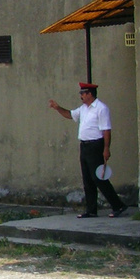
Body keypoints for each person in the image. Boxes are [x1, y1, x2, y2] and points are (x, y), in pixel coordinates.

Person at [49, 83, 125, 218]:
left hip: (96, 145)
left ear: (90, 94)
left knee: (98, 178)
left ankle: (118, 205)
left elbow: (106, 130)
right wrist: (57, 108)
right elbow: (70, 114)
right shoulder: (83, 109)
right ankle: (91, 209)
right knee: (87, 179)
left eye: (83, 93)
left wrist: (106, 148)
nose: (81, 96)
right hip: (84, 146)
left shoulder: (101, 108)